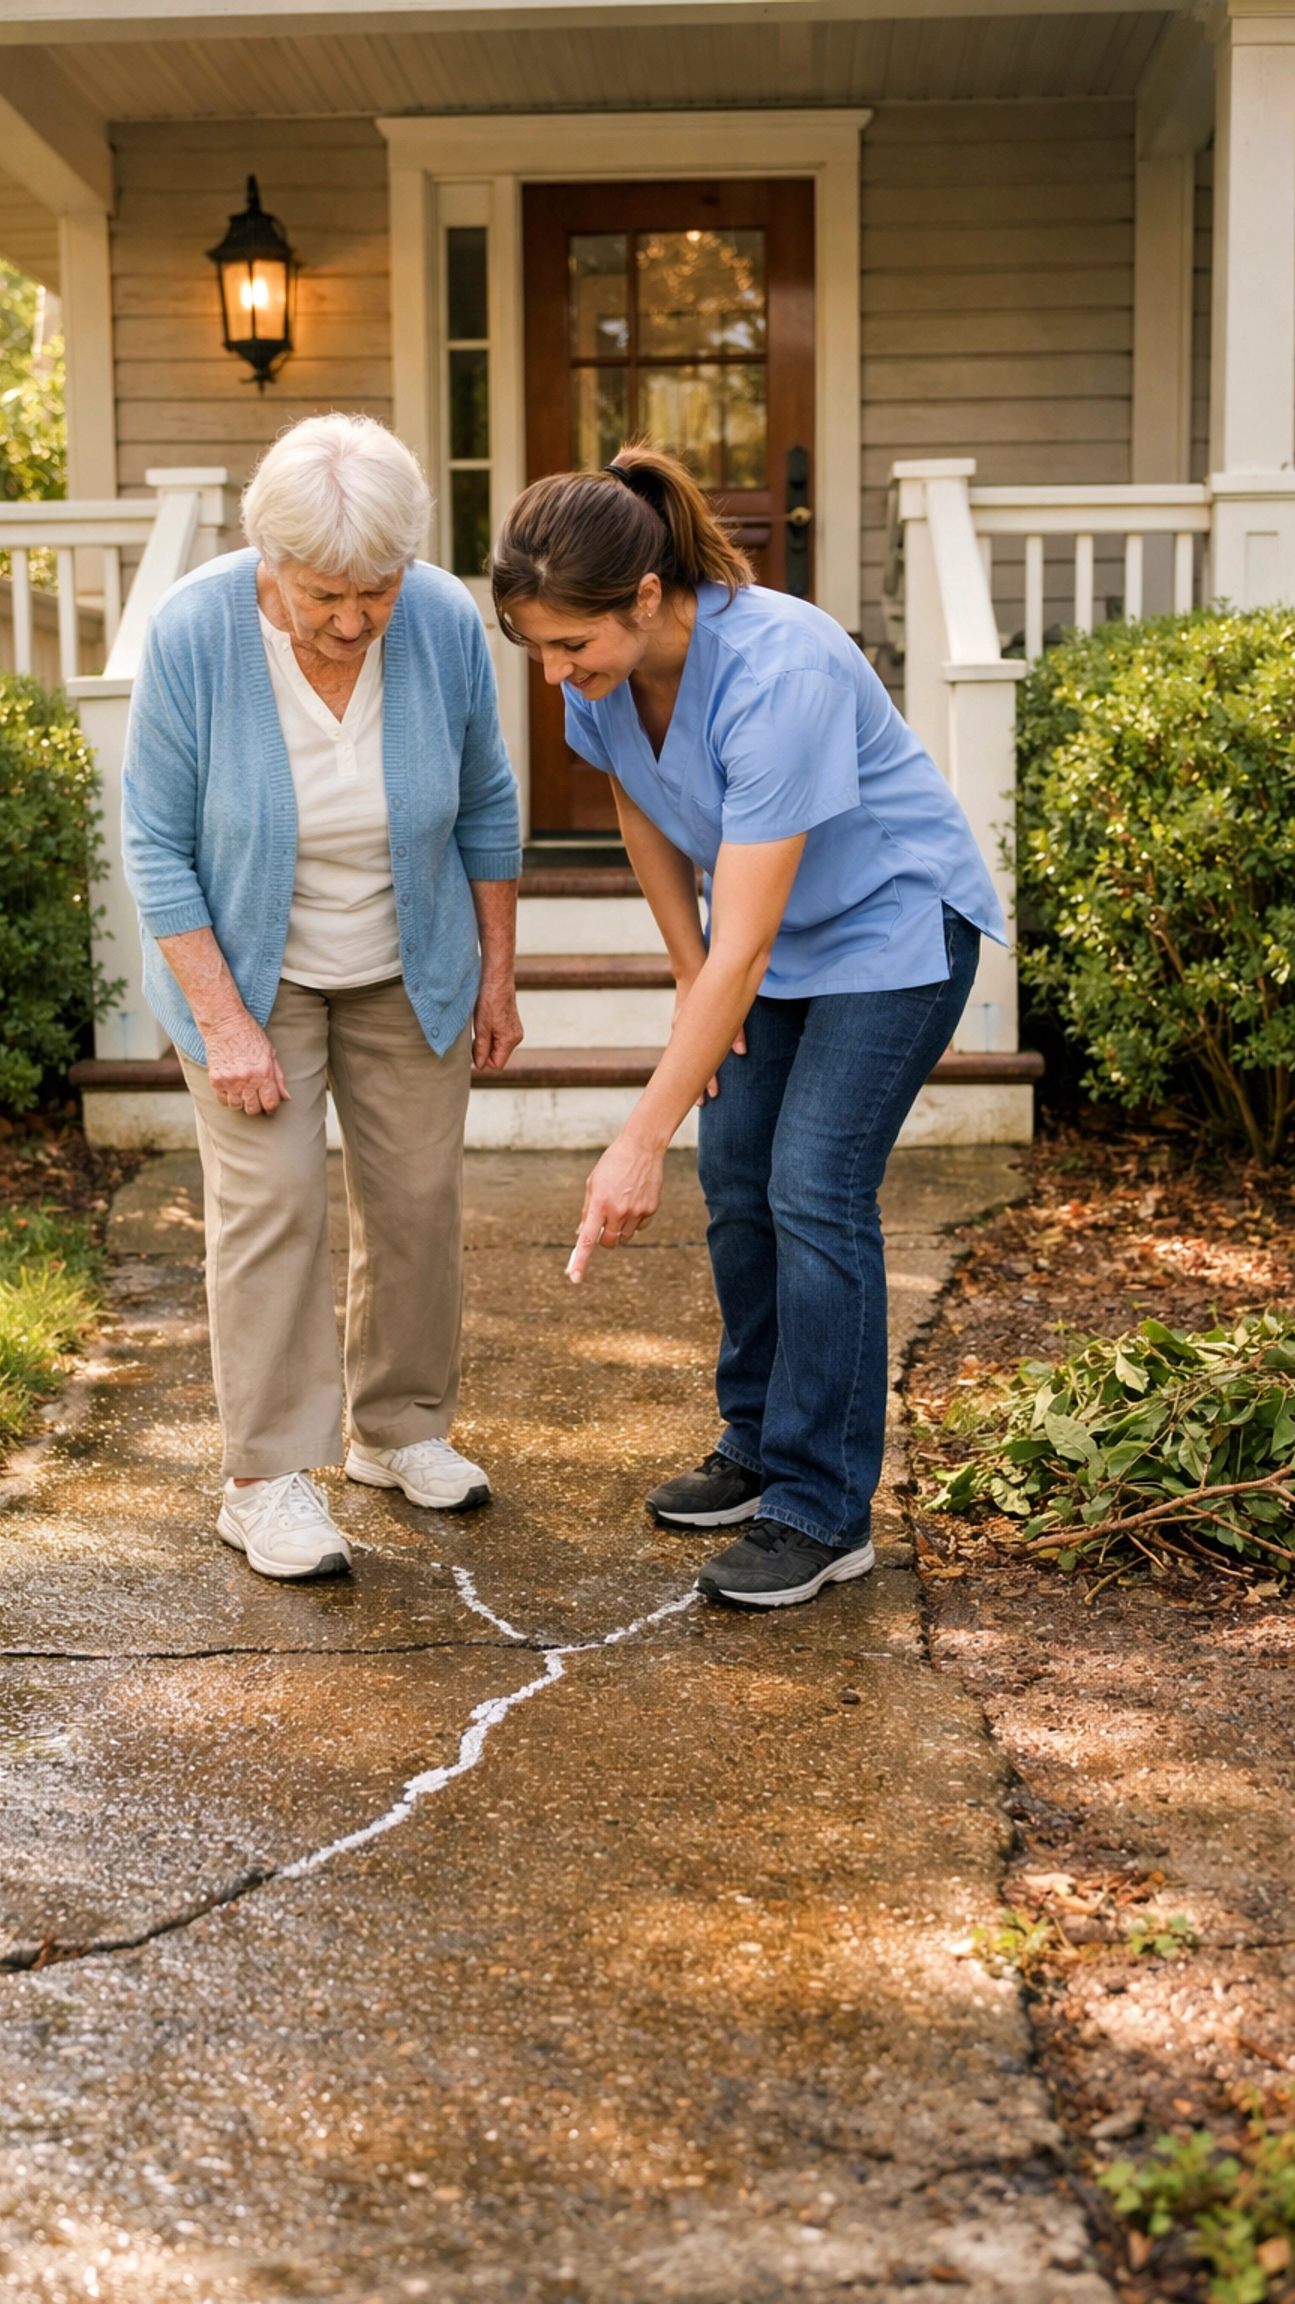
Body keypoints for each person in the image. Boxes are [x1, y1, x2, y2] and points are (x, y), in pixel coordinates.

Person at [490, 444, 1003, 1610]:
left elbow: (754, 945)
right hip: (763, 943)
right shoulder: (606, 687)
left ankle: (822, 1510)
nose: (558, 675)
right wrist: (685, 972)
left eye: (573, 645)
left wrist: (634, 1140)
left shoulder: (783, 669)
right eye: (537, 651)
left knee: (814, 1184)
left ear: (649, 597)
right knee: (736, 1170)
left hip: (894, 929)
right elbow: (640, 805)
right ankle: (761, 1438)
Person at [123, 414, 522, 1583]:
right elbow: (154, 843)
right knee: (274, 1208)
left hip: (411, 956)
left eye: (375, 591)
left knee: (416, 1201)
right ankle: (264, 1479)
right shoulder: (198, 631)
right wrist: (225, 1022)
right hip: (243, 967)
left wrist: (497, 972)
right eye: (321, 595)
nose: (351, 619)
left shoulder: (441, 619)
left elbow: (490, 803)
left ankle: (397, 1432)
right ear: (266, 561)